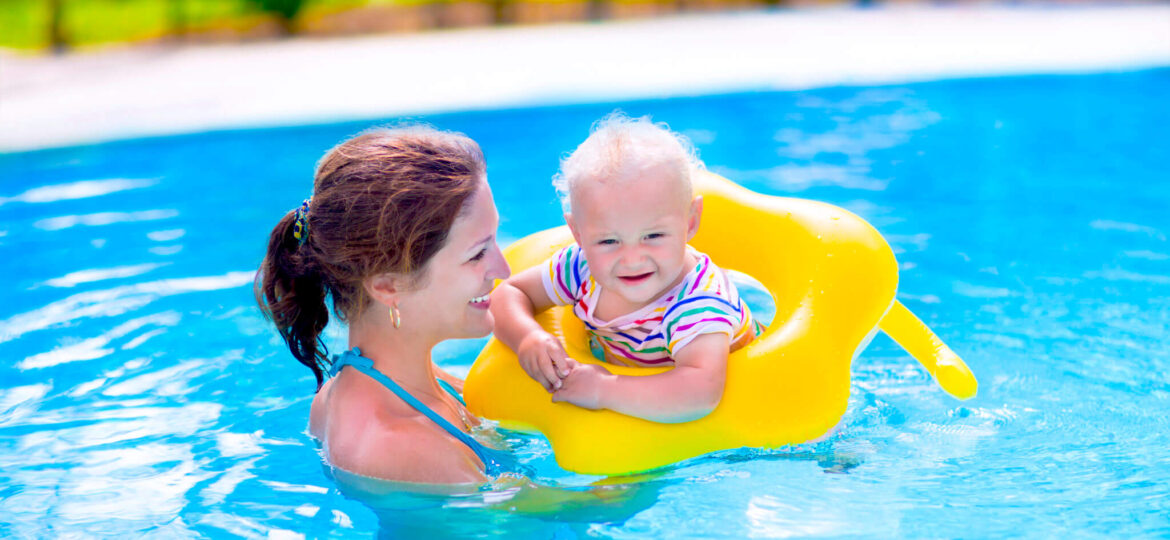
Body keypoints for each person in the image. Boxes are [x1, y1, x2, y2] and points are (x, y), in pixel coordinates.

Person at [255, 127, 514, 484]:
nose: (503, 269)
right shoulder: (410, 449)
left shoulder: (386, 386)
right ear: (388, 285)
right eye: (477, 254)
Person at [490, 114, 764, 424]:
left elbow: (700, 393)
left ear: (690, 221)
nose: (632, 259)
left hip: (742, 410)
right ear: (578, 232)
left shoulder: (699, 302)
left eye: (653, 236)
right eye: (608, 241)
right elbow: (509, 293)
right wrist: (528, 337)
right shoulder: (581, 269)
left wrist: (603, 388)